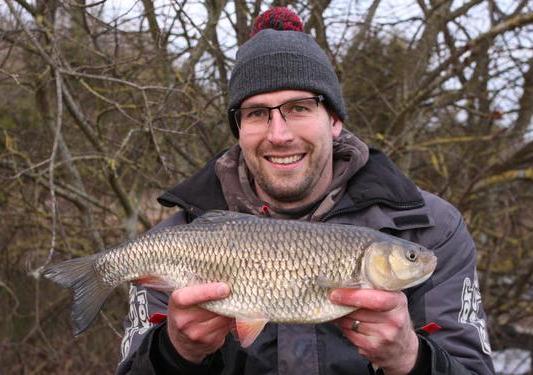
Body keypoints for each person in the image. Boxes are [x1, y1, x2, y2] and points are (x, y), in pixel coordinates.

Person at [117, 7, 495, 375]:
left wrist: (410, 360)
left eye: (299, 108)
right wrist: (174, 354)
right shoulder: (173, 241)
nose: (279, 134)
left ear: (333, 120)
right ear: (240, 129)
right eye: (257, 113)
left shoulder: (431, 227)